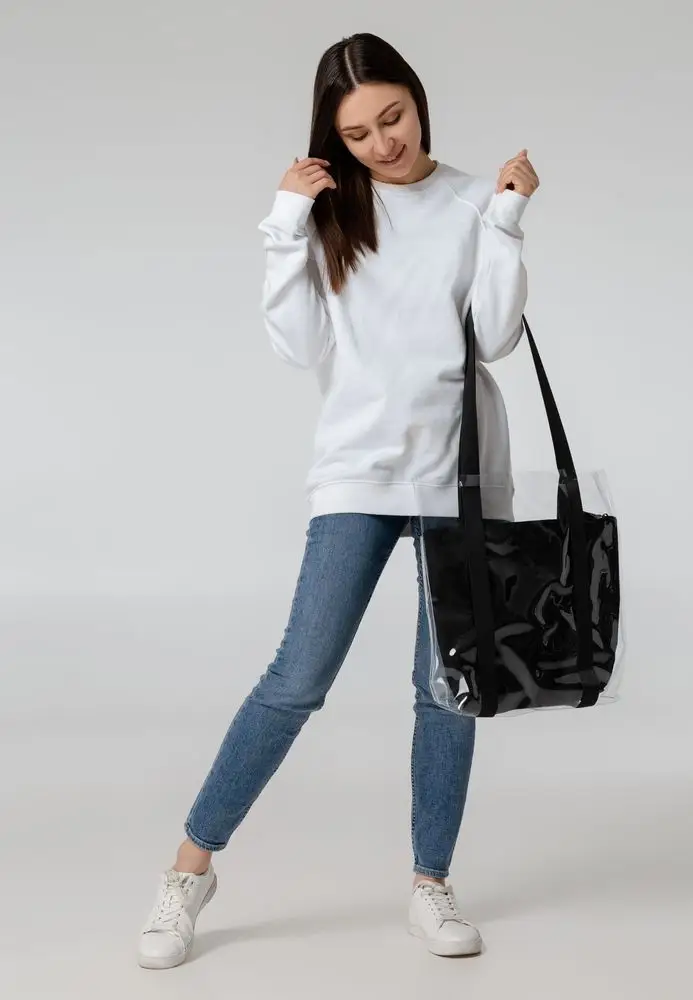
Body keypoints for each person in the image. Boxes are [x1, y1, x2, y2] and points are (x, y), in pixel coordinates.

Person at [137, 31, 539, 969]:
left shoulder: (472, 201)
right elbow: (299, 347)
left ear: (418, 100)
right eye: (358, 133)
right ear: (334, 136)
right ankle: (189, 871)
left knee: (447, 692)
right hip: (359, 469)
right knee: (296, 679)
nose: (383, 144)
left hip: (461, 477)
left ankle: (431, 883)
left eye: (393, 118)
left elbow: (494, 339)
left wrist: (508, 220)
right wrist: (285, 221)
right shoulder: (328, 213)